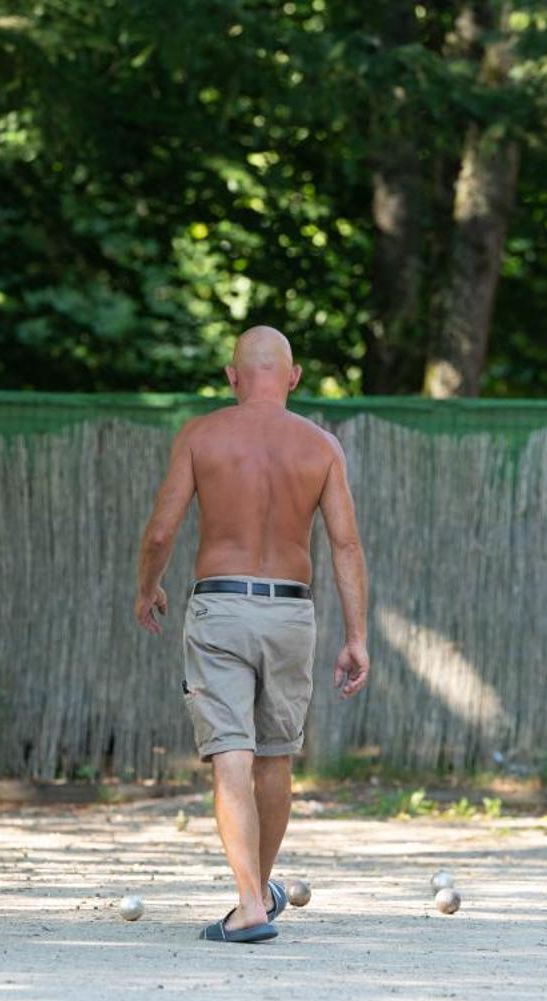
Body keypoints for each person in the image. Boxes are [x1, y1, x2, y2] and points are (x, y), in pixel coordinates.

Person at [134, 325, 370, 943]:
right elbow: (345, 544)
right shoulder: (321, 446)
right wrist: (357, 636)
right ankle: (256, 893)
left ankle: (248, 901)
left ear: (232, 377)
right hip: (292, 610)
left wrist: (147, 586)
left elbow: (161, 532)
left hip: (220, 606)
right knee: (275, 756)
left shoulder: (202, 435)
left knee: (230, 754)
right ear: (292, 377)